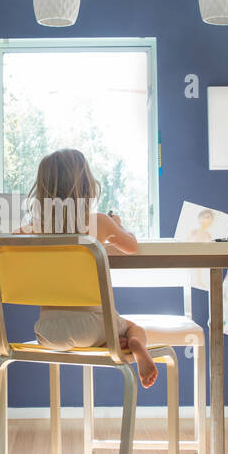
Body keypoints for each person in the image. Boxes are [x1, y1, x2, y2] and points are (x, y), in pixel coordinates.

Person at [23, 148, 158, 388]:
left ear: (42, 190)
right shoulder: (99, 222)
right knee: (132, 327)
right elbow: (132, 246)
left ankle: (110, 342)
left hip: (48, 332)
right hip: (97, 326)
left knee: (98, 331)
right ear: (87, 186)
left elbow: (13, 239)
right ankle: (133, 343)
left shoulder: (34, 228)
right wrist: (118, 225)